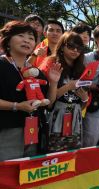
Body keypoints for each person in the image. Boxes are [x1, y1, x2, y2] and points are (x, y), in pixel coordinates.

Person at [0, 21, 62, 161]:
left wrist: (53, 83)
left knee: (29, 172)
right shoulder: (2, 65)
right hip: (7, 130)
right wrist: (17, 106)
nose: (26, 40)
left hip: (35, 129)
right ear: (8, 40)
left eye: (31, 38)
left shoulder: (36, 72)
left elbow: (48, 102)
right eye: (21, 35)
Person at [39, 32, 87, 152]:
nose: (75, 50)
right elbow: (47, 102)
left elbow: (83, 103)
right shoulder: (51, 62)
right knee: (54, 152)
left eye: (79, 48)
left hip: (75, 116)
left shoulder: (82, 67)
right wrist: (67, 87)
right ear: (62, 45)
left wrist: (85, 98)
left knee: (72, 154)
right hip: (56, 115)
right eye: (71, 46)